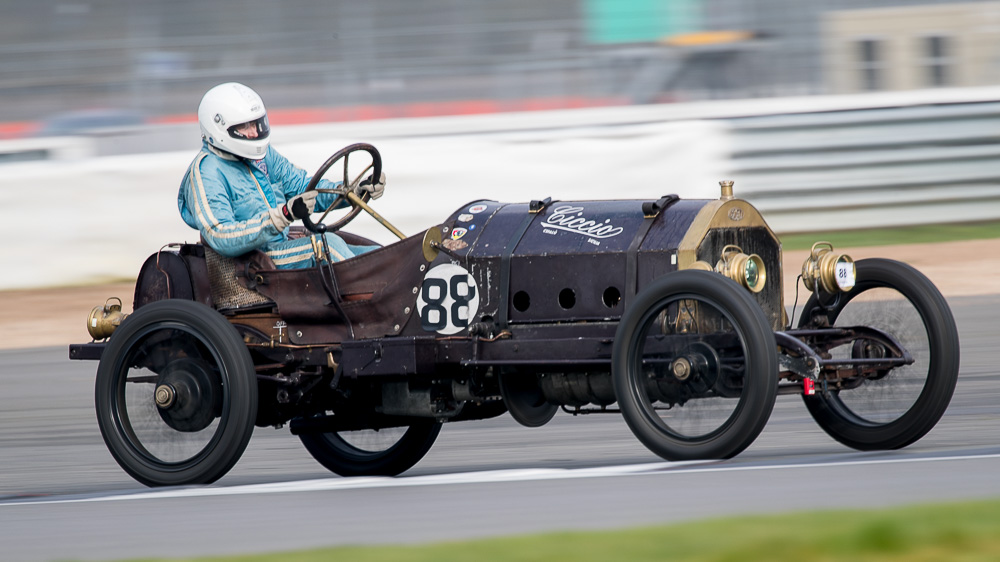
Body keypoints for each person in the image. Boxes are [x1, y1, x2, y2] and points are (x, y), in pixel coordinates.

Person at [177, 82, 385, 268]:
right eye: (244, 127)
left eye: (255, 124)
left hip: (281, 248)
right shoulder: (207, 172)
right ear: (219, 127)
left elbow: (305, 188)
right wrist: (283, 215)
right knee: (326, 246)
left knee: (381, 256)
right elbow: (220, 235)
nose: (253, 132)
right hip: (253, 264)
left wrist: (353, 191)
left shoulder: (262, 157)